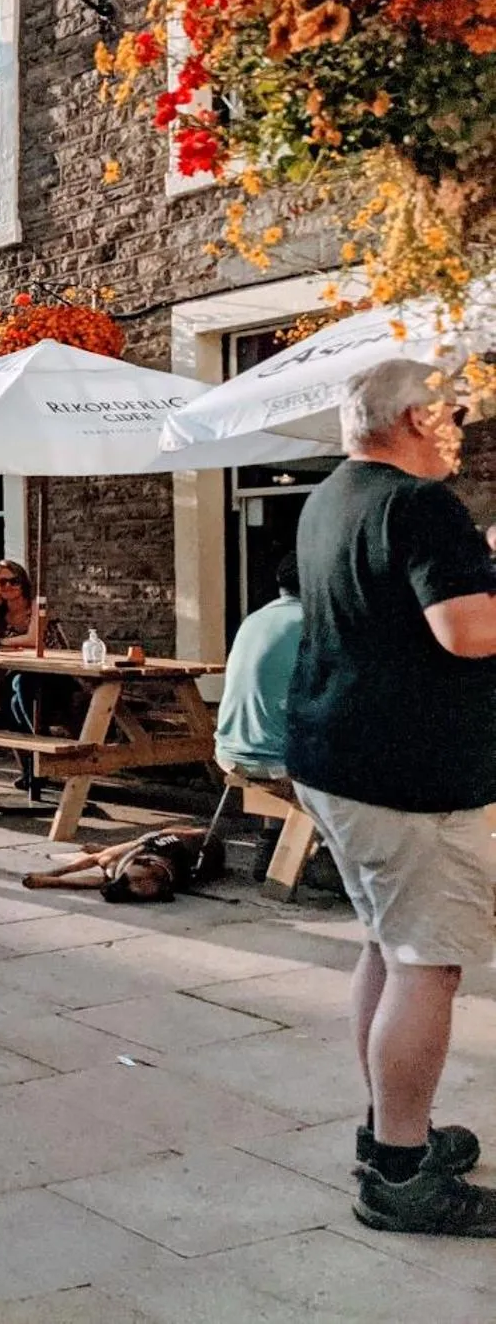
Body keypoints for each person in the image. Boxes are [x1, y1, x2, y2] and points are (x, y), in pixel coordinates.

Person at [286, 360, 496, 1236]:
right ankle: (401, 1175)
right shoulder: (419, 505)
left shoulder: (328, 495)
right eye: (451, 414)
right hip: (411, 779)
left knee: (385, 942)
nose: (460, 429)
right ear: (413, 417)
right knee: (426, 962)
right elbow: (467, 630)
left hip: (337, 761)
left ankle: (387, 1134)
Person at [0, 559, 73, 792]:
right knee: (8, 696)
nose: (8, 586)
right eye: (1, 582)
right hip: (20, 678)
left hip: (56, 676)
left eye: (13, 581)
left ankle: (39, 756)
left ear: (23, 582)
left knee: (20, 685)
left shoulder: (36, 605)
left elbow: (33, 639)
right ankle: (33, 765)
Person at [216, 552, 302, 783]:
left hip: (229, 753)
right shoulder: (313, 622)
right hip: (278, 761)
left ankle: (276, 821)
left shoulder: (254, 619)